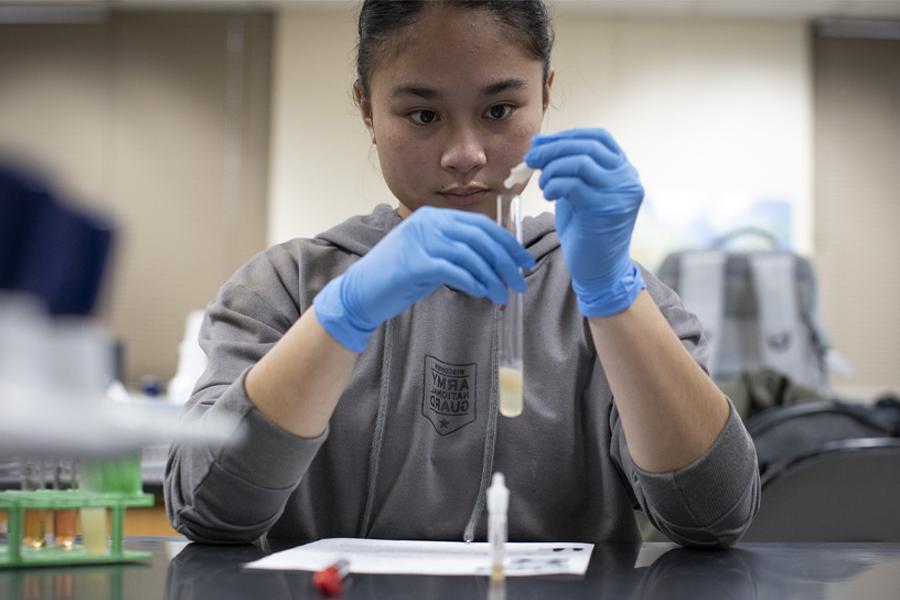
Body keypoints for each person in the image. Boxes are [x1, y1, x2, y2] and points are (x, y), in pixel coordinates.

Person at [165, 0, 759, 548]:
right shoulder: (285, 287)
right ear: (367, 108)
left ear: (545, 94)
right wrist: (342, 315)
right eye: (424, 114)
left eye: (499, 109)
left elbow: (714, 516)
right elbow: (208, 510)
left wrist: (611, 295)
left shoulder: (617, 297)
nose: (466, 153)